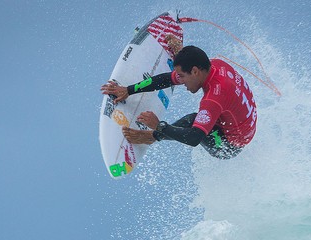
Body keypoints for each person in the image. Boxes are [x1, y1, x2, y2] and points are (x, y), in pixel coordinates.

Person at [101, 42, 257, 159]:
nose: (180, 81)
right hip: (241, 124)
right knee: (200, 115)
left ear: (195, 71)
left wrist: (159, 127)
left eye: (182, 76)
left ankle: (151, 137)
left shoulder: (214, 98)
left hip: (227, 146)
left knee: (193, 120)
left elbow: (194, 138)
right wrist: (129, 90)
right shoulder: (215, 65)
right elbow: (166, 80)